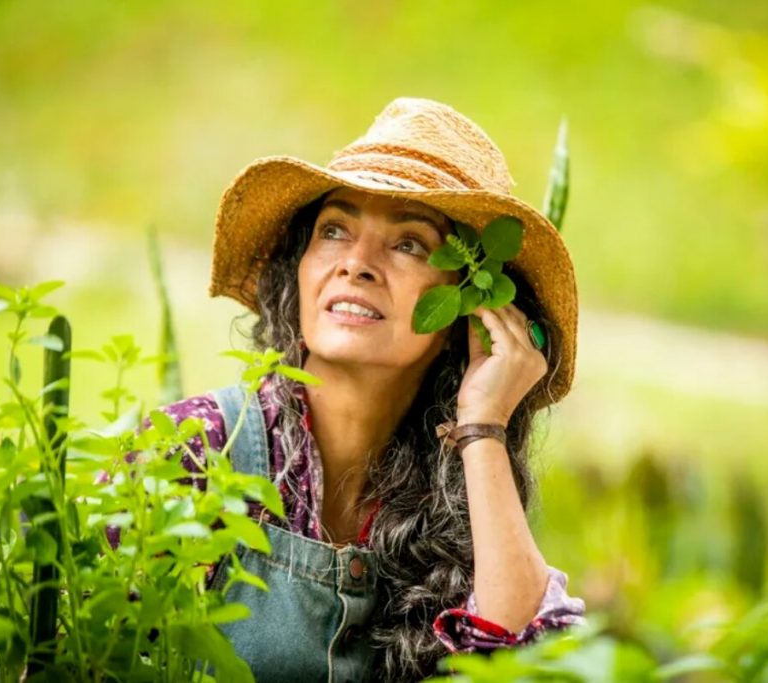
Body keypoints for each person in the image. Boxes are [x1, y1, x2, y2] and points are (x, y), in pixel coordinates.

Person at [160, 98, 585, 682]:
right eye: (334, 230)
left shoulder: (458, 500)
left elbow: (526, 667)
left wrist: (483, 428)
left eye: (409, 243)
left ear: (472, 308)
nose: (356, 263)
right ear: (300, 265)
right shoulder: (192, 450)